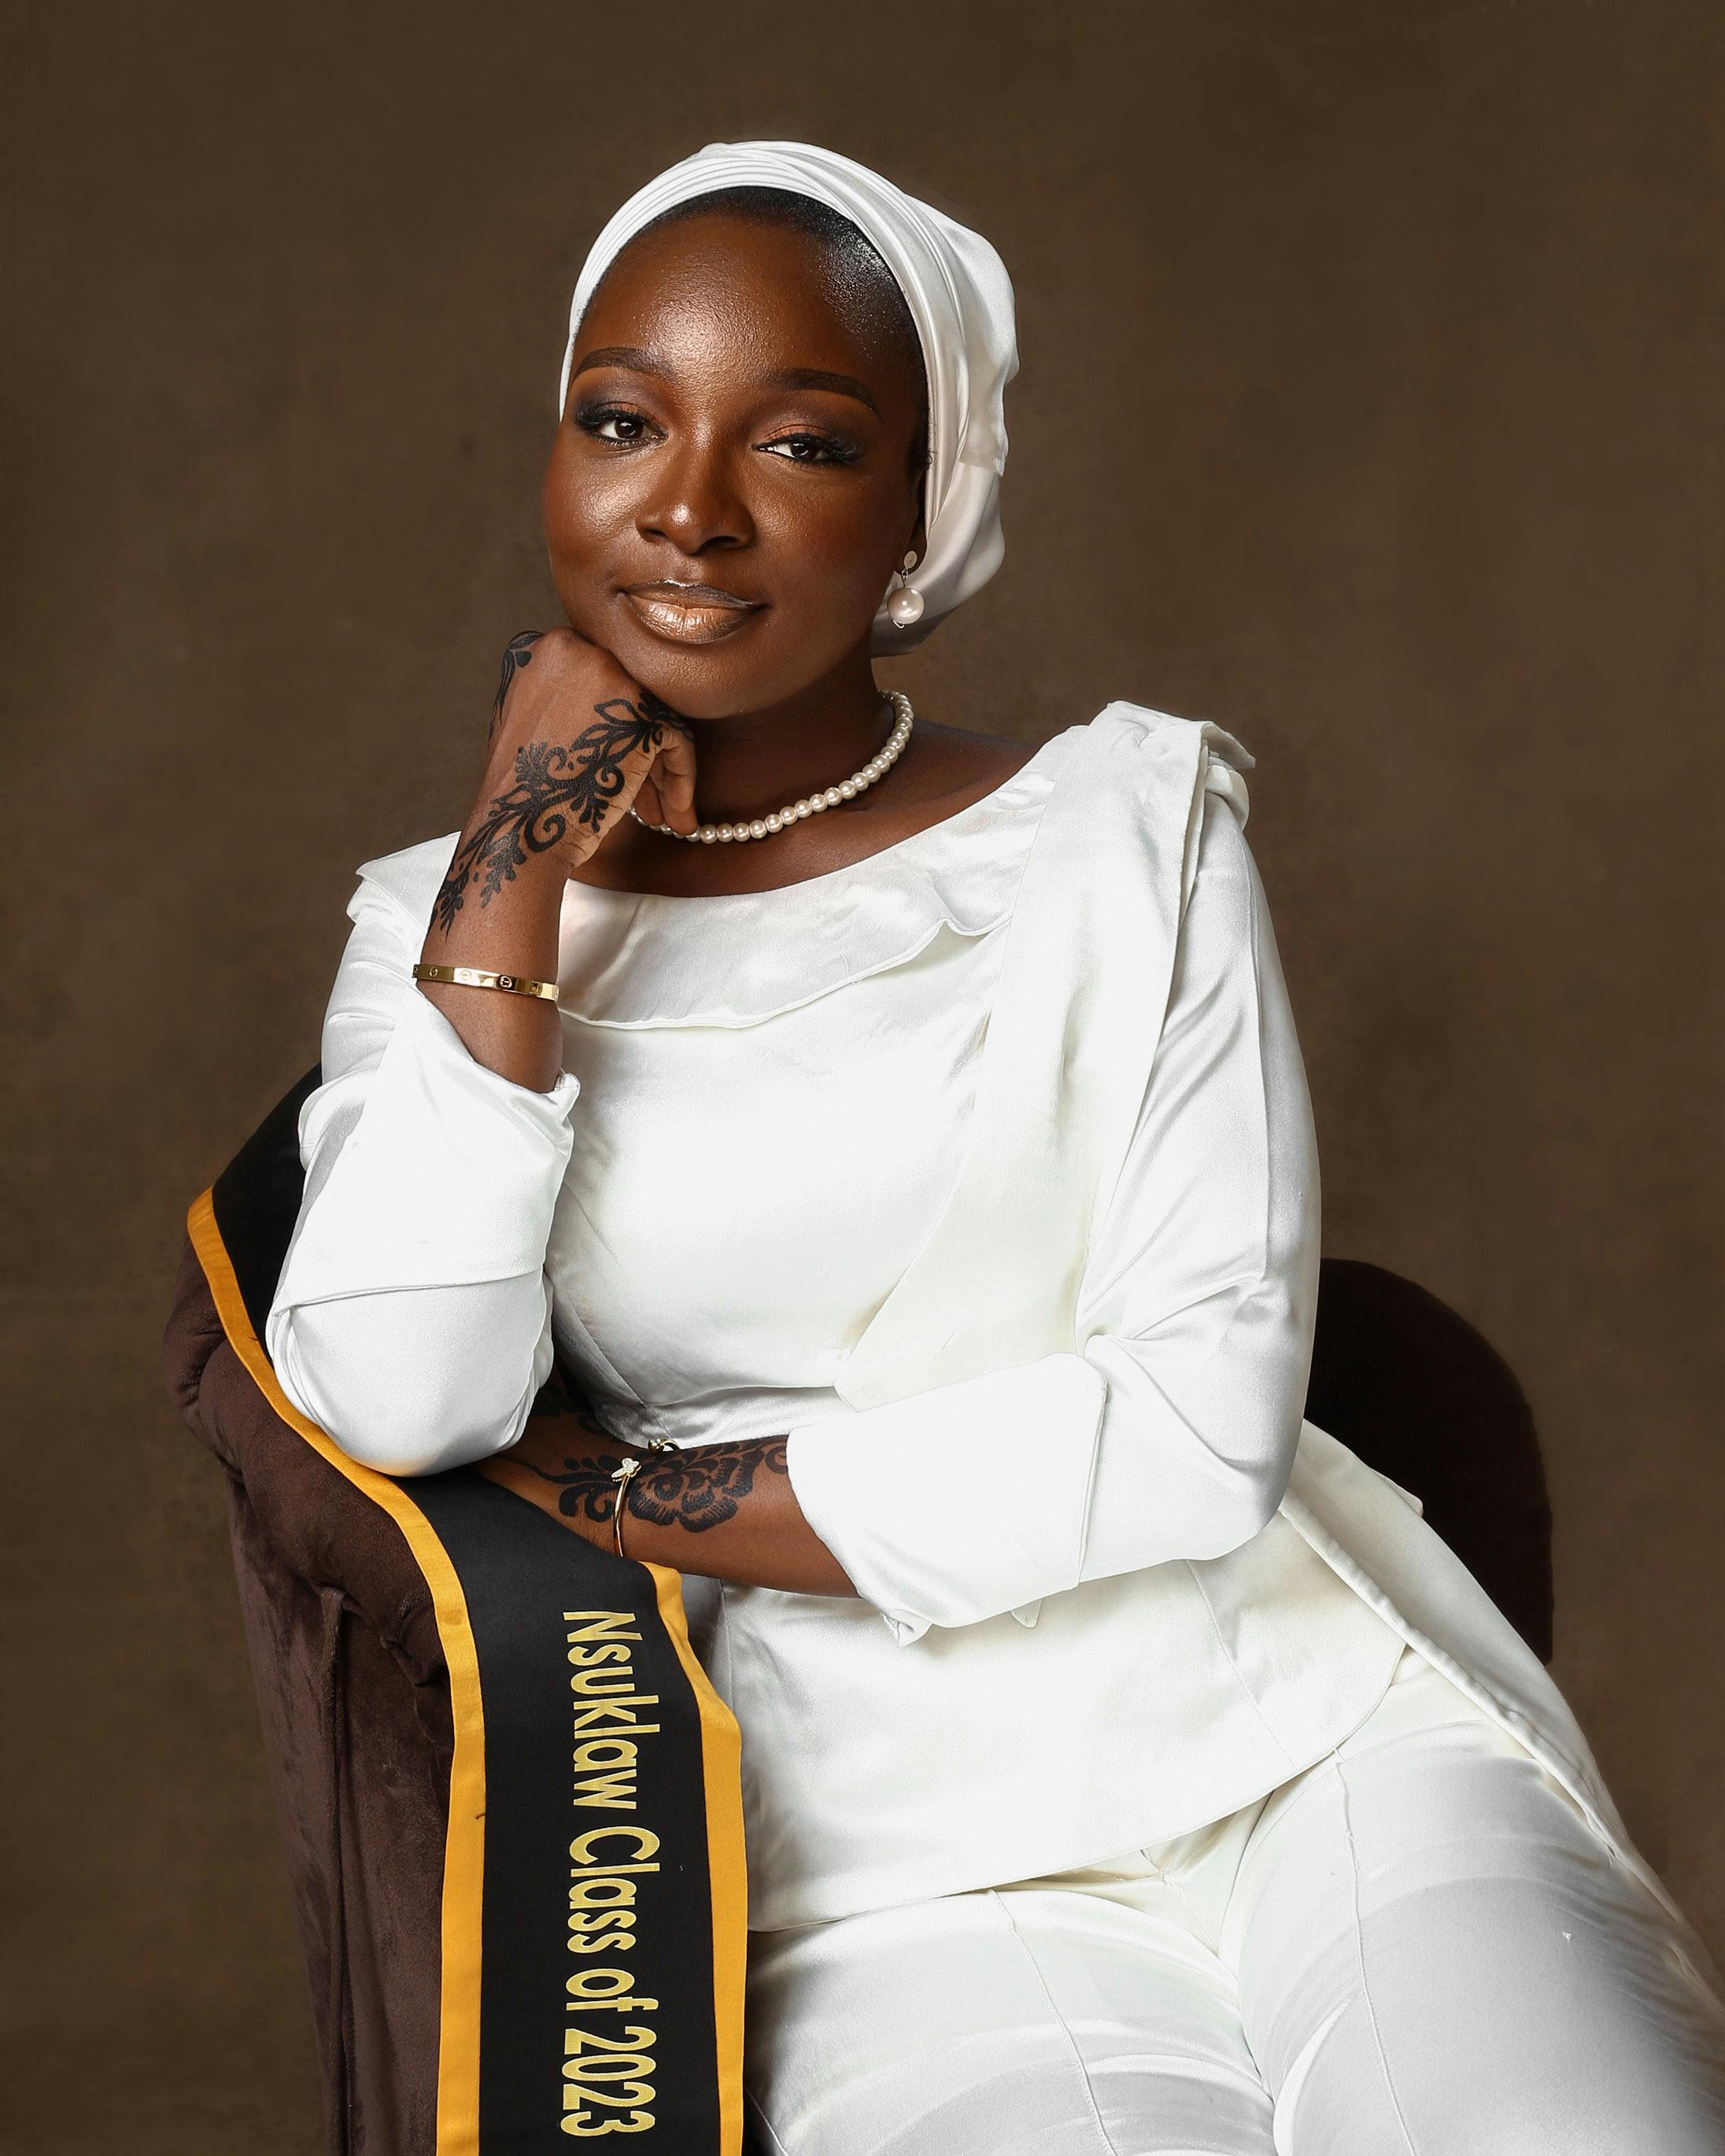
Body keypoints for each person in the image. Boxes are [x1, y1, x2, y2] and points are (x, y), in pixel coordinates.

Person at [264, 139, 1725, 2154]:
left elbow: (1204, 1425)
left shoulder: (1129, 827)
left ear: (920, 512)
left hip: (1301, 1728)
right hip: (869, 1845)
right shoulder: (436, 924)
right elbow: (402, 1386)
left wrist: (614, 1481)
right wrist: (514, 878)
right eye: (619, 419)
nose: (684, 507)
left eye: (801, 440)